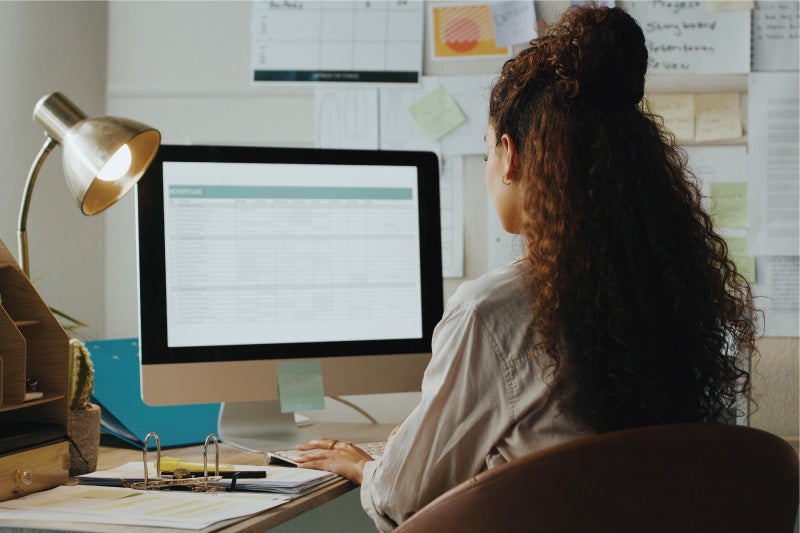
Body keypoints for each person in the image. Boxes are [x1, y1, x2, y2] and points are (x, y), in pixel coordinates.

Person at [293, 4, 757, 530]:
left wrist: (364, 465)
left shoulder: (491, 312)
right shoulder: (678, 295)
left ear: (510, 156)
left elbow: (403, 499)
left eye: (487, 149)